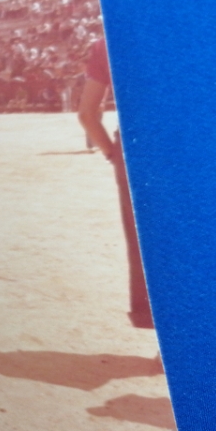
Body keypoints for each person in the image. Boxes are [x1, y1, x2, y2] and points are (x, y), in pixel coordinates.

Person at [77, 37, 153, 329]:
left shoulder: (105, 44)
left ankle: (155, 324)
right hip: (190, 144)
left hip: (133, 148)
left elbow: (86, 114)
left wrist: (112, 154)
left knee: (143, 242)